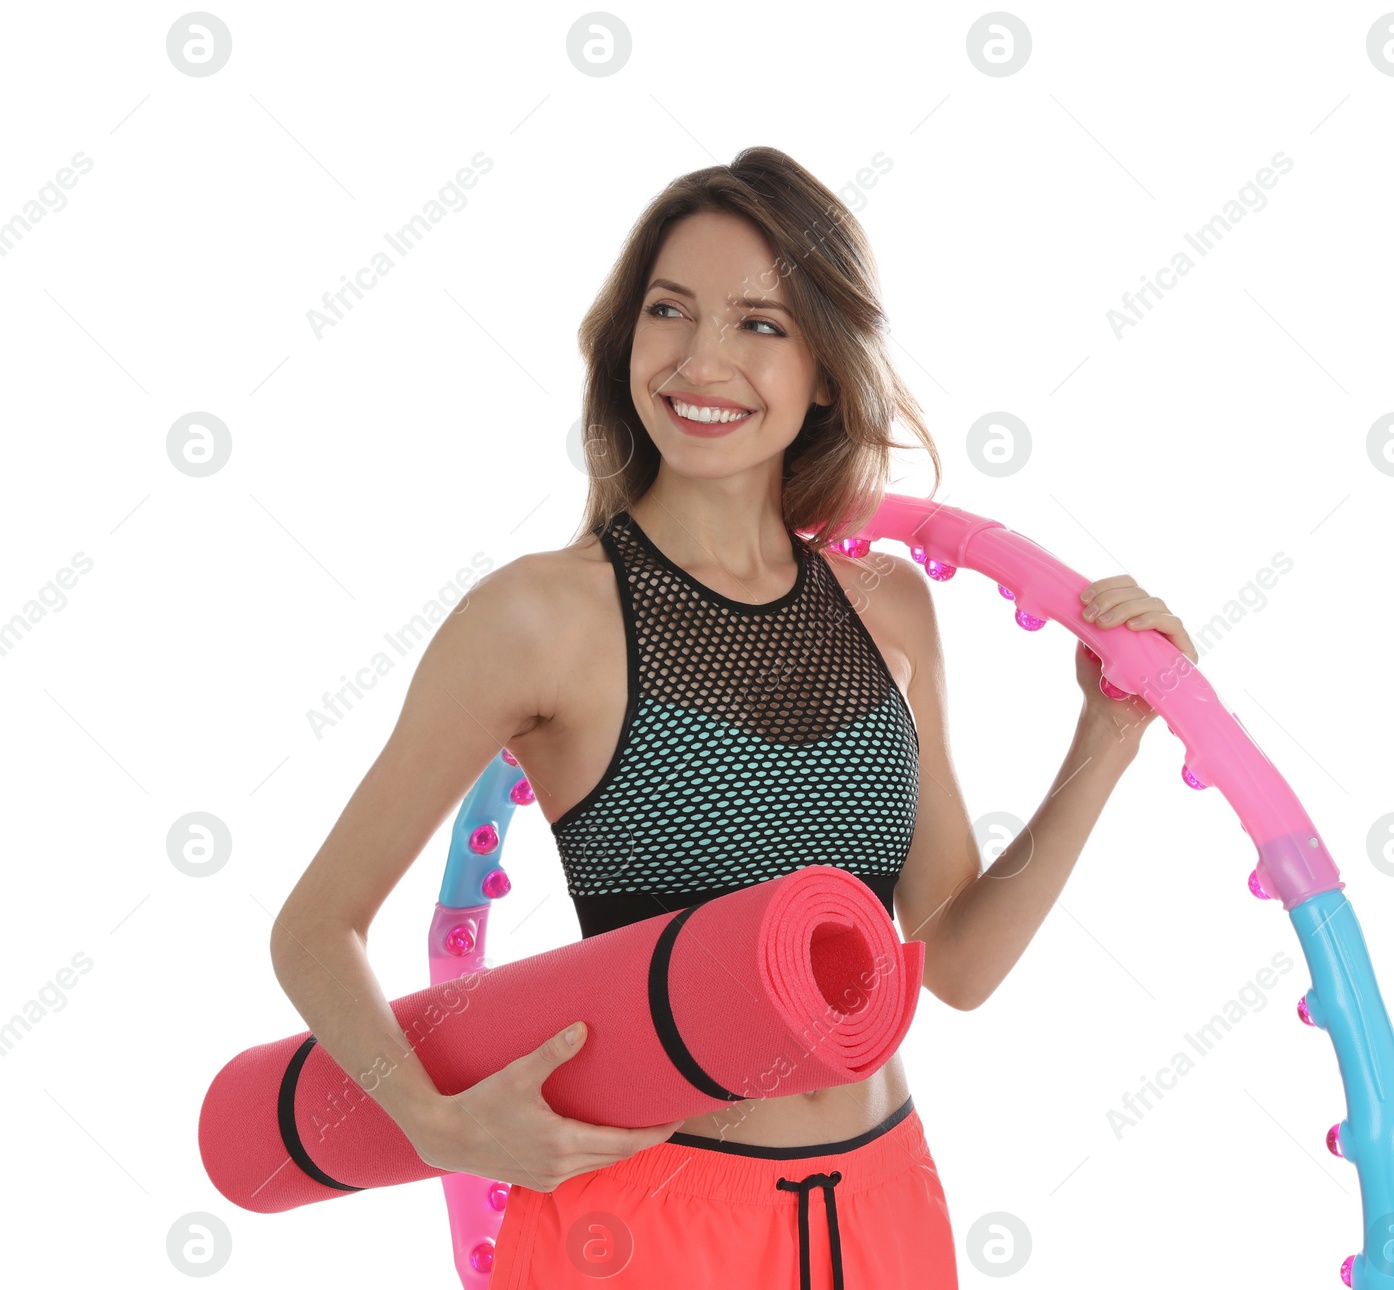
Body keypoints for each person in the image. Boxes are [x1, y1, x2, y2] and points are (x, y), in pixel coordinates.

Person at [269, 145, 1196, 1289]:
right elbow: (314, 929)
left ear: (822, 370)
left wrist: (1103, 743)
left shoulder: (888, 608)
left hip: (884, 1204)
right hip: (643, 1225)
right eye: (670, 311)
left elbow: (953, 962)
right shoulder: (538, 618)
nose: (702, 358)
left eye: (759, 323)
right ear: (626, 344)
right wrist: (439, 1126)